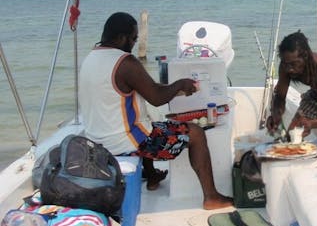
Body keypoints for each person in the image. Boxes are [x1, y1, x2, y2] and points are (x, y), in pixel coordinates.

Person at [79, 12, 232, 210]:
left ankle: (152, 175)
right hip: (124, 144)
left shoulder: (91, 58)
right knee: (195, 133)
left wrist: (176, 88)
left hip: (97, 141)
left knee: (144, 122)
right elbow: (157, 98)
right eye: (133, 38)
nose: (134, 43)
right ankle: (211, 197)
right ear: (121, 38)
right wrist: (179, 84)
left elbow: (144, 90)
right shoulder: (125, 62)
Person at [266, 31, 317, 137]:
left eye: (293, 64)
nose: (289, 69)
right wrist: (275, 115)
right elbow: (280, 98)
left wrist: (311, 124)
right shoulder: (285, 65)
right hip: (315, 97)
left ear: (305, 56)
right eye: (285, 64)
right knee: (291, 135)